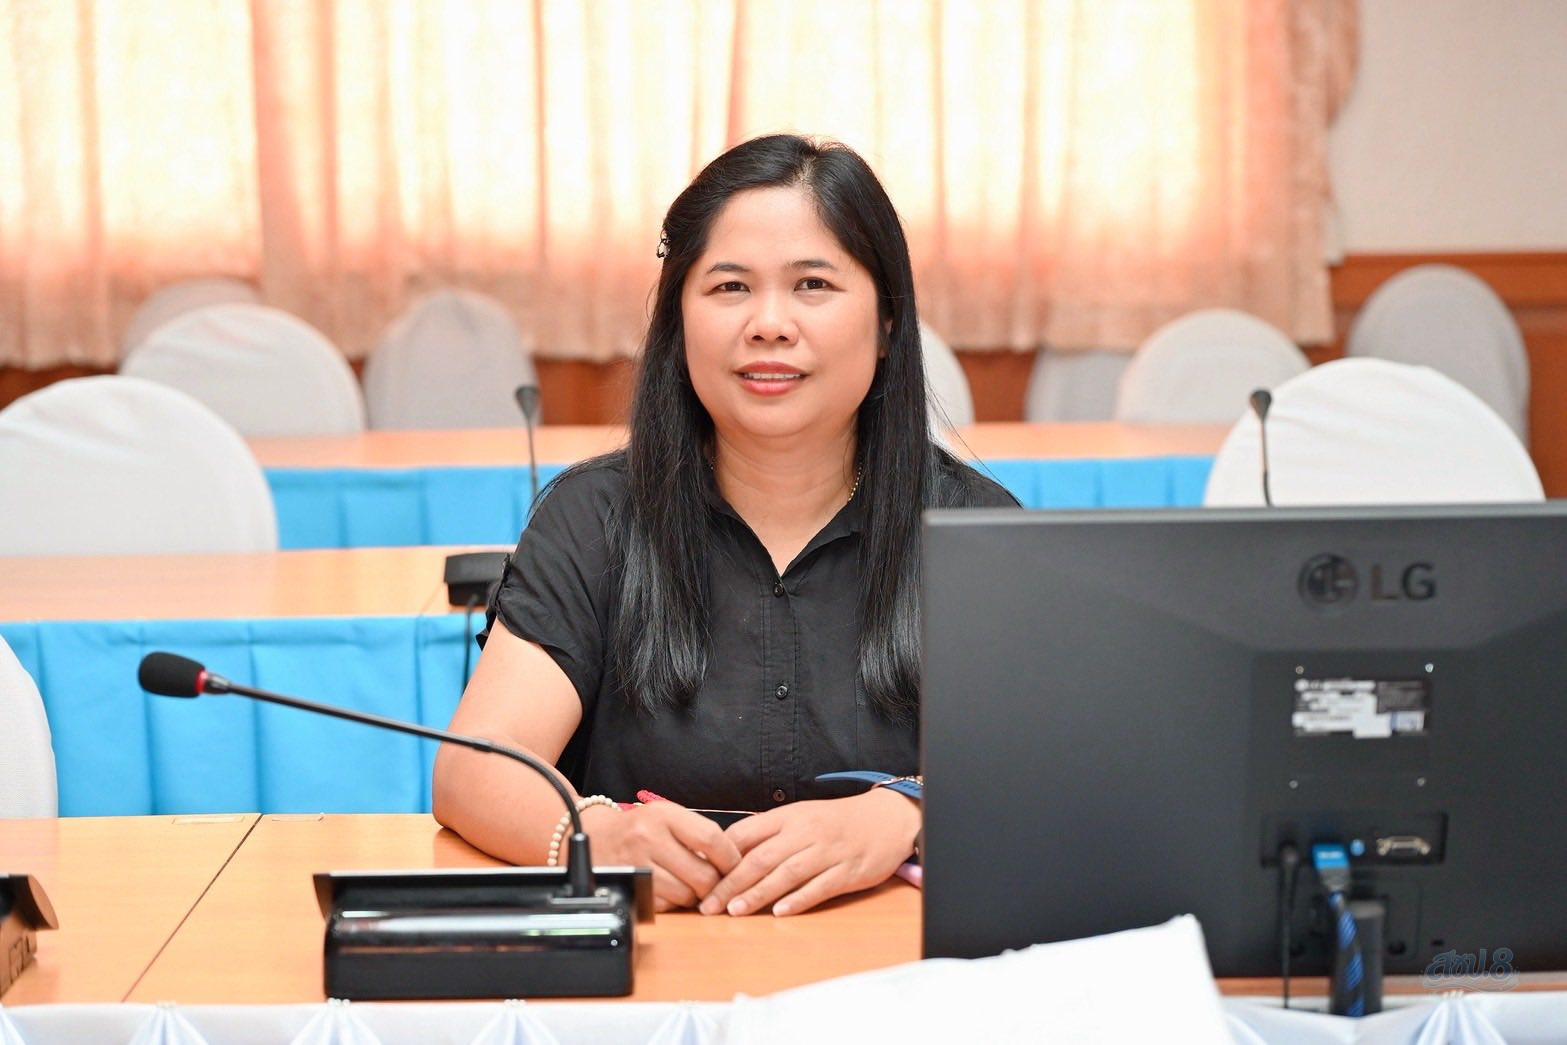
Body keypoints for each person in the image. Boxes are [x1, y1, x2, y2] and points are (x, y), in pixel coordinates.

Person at [432, 133, 1017, 917]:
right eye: (730, 286)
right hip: (659, 952)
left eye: (813, 284)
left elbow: (1049, 762)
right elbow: (473, 771)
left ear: (886, 323)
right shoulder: (594, 518)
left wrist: (906, 811)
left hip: (896, 961)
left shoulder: (973, 526)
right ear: (679, 320)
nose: (769, 323)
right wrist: (598, 834)